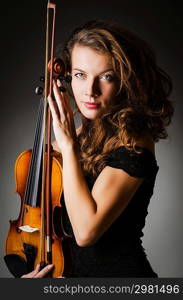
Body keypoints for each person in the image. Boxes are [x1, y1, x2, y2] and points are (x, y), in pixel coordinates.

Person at [22, 20, 174, 278]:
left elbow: (85, 232)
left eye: (106, 77)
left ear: (125, 81)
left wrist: (69, 146)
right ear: (69, 76)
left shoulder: (134, 141)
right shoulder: (70, 140)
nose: (90, 91)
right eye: (80, 75)